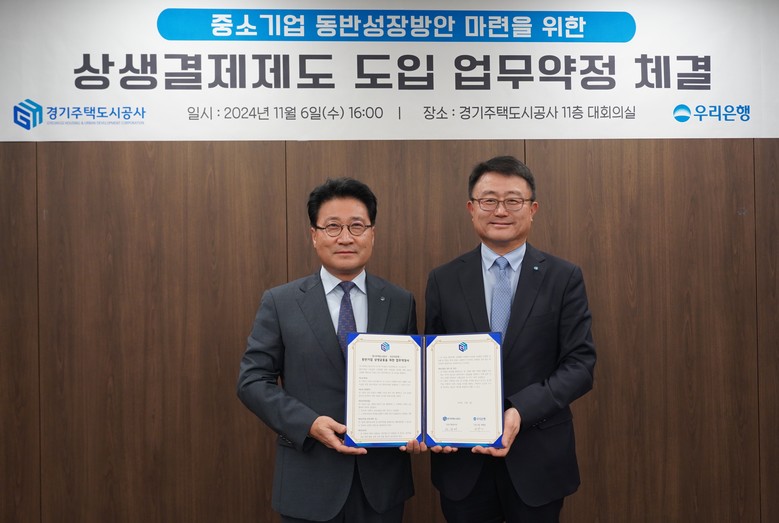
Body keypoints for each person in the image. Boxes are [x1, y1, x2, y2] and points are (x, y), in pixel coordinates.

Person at [237, 177, 423, 523]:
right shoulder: (281, 302)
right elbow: (252, 381)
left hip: (381, 485)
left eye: (357, 226)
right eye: (333, 226)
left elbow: (413, 380)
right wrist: (308, 423)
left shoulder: (400, 301)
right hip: (309, 481)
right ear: (314, 235)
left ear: (372, 234)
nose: (345, 237)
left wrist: (419, 425)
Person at [425, 156, 596, 523]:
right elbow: (431, 365)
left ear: (532, 209)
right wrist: (432, 420)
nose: (500, 210)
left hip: (538, 456)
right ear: (471, 209)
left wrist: (520, 410)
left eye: (513, 200)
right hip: (462, 460)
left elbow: (580, 365)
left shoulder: (564, 277)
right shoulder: (443, 280)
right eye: (489, 200)